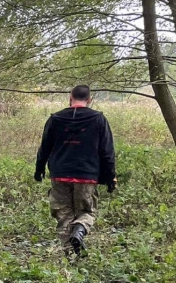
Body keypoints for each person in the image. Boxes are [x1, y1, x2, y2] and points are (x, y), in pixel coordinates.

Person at [34, 85, 116, 256]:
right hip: (87, 175)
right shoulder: (98, 119)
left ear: (70, 97)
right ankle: (79, 230)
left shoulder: (55, 119)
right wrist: (110, 177)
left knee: (63, 215)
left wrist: (39, 169)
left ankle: (70, 256)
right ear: (89, 99)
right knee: (86, 211)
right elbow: (107, 152)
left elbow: (45, 148)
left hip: (60, 174)